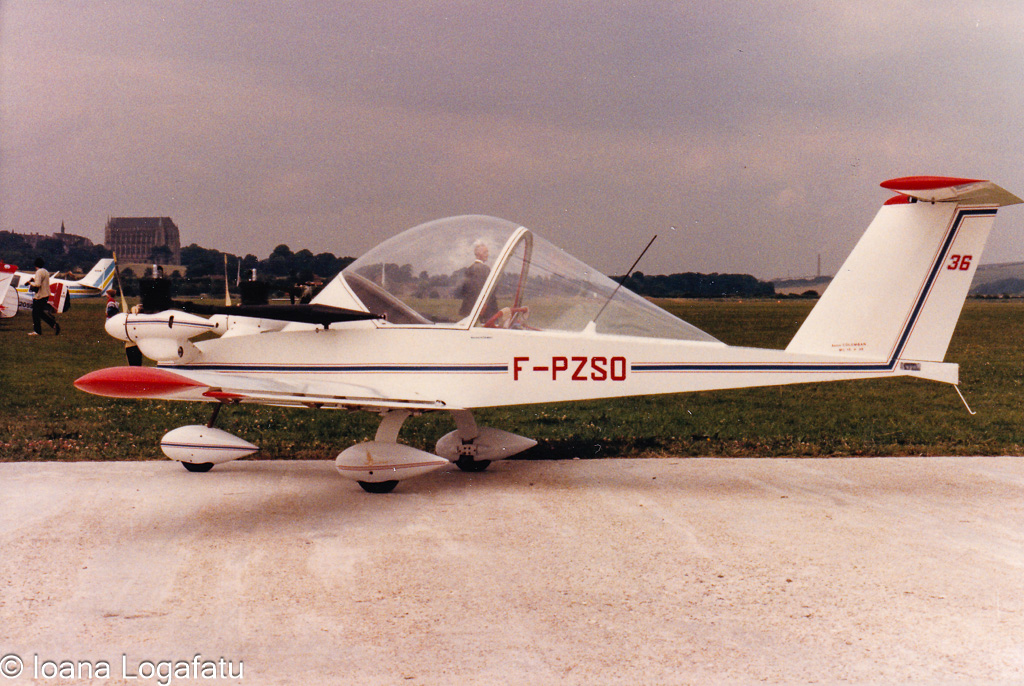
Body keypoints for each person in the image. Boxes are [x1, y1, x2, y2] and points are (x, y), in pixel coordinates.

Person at [458, 241, 498, 319]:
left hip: (468, 311)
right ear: (479, 255)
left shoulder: (469, 269)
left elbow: (463, 291)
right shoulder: (486, 269)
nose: (488, 255)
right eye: (485, 252)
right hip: (484, 312)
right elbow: (492, 290)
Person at [28, 258, 59, 336]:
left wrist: (30, 283)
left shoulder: (38, 272)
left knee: (35, 313)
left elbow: (37, 284)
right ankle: (53, 324)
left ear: (35, 265)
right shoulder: (45, 271)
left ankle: (37, 331)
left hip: (40, 296)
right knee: (40, 313)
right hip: (46, 295)